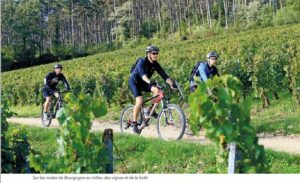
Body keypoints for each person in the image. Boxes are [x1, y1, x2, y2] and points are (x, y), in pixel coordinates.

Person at [129, 45, 177, 133]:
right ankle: (134, 123)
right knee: (139, 100)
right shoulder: (142, 62)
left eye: (157, 53)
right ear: (148, 54)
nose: (156, 55)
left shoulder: (155, 64)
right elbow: (143, 75)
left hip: (145, 82)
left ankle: (150, 110)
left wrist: (172, 84)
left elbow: (164, 75)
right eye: (154, 53)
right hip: (135, 82)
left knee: (157, 90)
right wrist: (150, 81)